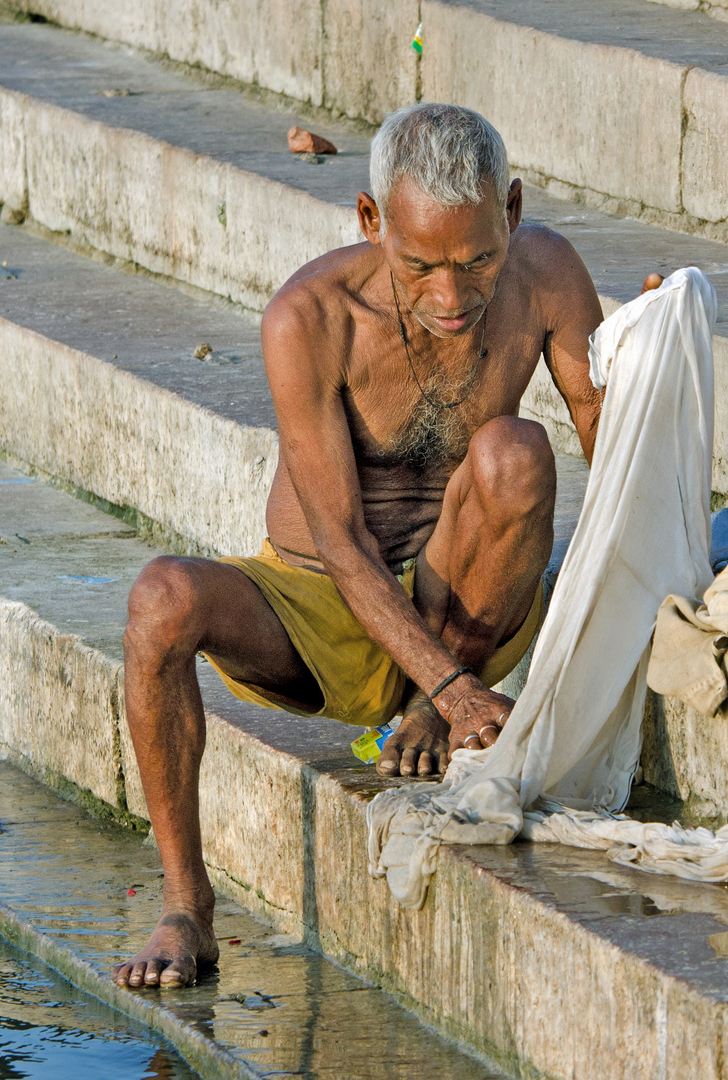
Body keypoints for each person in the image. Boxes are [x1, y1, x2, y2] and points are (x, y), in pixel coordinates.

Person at [114, 103, 659, 989]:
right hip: (320, 603)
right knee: (159, 599)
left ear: (511, 213)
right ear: (371, 223)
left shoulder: (548, 273)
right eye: (422, 266)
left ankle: (423, 708)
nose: (453, 297)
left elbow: (612, 441)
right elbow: (337, 536)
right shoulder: (308, 316)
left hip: (473, 598)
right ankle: (186, 907)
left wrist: (645, 355)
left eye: (479, 259)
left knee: (515, 452)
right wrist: (452, 691)